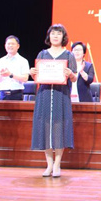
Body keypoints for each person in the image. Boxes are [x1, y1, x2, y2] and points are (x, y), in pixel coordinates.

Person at [30, 24, 77, 178]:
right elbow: (37, 76)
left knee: (59, 127)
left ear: (63, 37)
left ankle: (57, 164)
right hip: (44, 95)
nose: (55, 36)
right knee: (45, 127)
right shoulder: (42, 54)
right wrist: (33, 73)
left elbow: (74, 78)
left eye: (58, 34)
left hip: (61, 95)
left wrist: (71, 74)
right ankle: (49, 164)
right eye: (53, 33)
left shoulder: (68, 55)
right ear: (49, 36)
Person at [0, 35, 30, 101]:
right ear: (5, 46)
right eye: (8, 44)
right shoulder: (0, 61)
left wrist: (10, 74)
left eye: (13, 44)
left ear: (18, 46)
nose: (10, 46)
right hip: (3, 93)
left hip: (17, 93)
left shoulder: (23, 61)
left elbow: (25, 78)